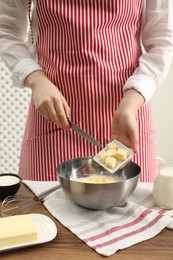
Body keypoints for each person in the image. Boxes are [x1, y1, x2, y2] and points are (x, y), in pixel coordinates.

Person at [0, 0, 173, 182]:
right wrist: (35, 79)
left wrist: (131, 103)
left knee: (136, 208)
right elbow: (5, 29)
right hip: (55, 119)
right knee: (43, 207)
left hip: (128, 117)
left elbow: (162, 42)